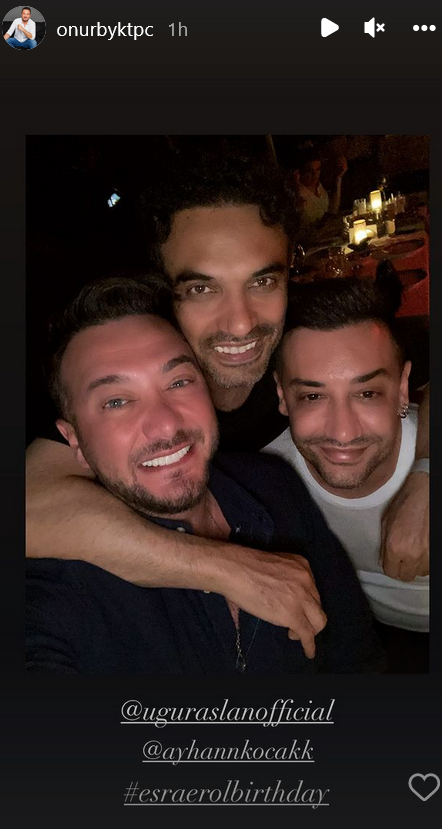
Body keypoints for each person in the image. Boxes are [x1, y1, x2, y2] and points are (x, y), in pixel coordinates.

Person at [26, 150, 429, 634]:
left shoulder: (301, 348)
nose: (240, 323)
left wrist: (425, 480)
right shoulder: (131, 386)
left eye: (263, 281)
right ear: (164, 292)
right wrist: (224, 569)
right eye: (202, 289)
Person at [26, 277, 383, 674]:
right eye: (117, 402)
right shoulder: (60, 592)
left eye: (179, 382)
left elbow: (357, 654)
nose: (165, 424)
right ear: (74, 441)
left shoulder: (273, 485)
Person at [265, 278, 429, 671]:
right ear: (282, 395)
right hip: (366, 638)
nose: (342, 432)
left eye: (367, 393)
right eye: (313, 396)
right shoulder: (264, 481)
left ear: (402, 388)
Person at [293, 148, 347, 226]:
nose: (315, 174)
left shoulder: (319, 186)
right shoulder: (297, 195)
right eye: (310, 171)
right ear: (300, 172)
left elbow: (332, 212)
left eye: (317, 169)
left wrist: (339, 178)